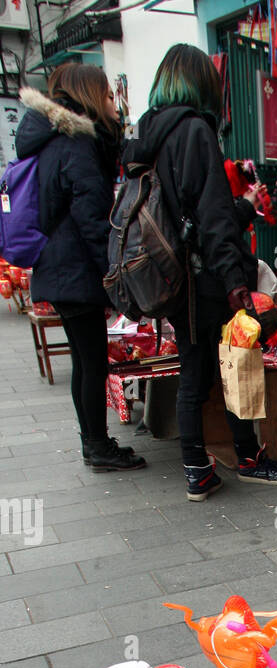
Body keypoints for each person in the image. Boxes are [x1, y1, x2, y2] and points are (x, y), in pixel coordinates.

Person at [123, 44, 277, 500]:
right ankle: (247, 459)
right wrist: (237, 282)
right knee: (235, 362)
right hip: (206, 279)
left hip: (173, 276)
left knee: (195, 372)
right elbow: (213, 218)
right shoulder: (194, 131)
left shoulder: (148, 135)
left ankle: (198, 468)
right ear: (202, 85)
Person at [16, 66, 146, 472]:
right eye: (108, 95)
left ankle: (95, 442)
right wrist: (114, 277)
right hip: (74, 271)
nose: (113, 103)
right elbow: (93, 222)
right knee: (92, 362)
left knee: (84, 359)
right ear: (90, 96)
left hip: (58, 268)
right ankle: (97, 445)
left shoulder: (52, 141)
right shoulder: (77, 144)